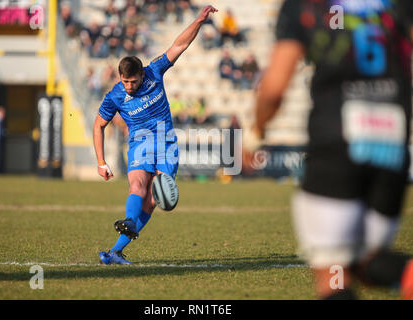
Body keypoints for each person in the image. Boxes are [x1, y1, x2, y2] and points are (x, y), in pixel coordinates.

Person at [244, 0, 413, 299]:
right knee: (367, 260)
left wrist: (256, 132)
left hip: (337, 142)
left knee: (333, 273)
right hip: (392, 144)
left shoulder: (308, 5)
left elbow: (274, 88)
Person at [93, 5, 218, 265]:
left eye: (134, 81)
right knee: (137, 186)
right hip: (140, 143)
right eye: (125, 82)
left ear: (141, 74)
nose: (130, 86)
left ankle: (114, 252)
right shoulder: (115, 95)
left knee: (151, 202)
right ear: (120, 78)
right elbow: (99, 124)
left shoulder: (154, 71)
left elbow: (179, 45)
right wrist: (101, 161)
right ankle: (128, 222)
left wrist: (199, 20)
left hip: (167, 143)